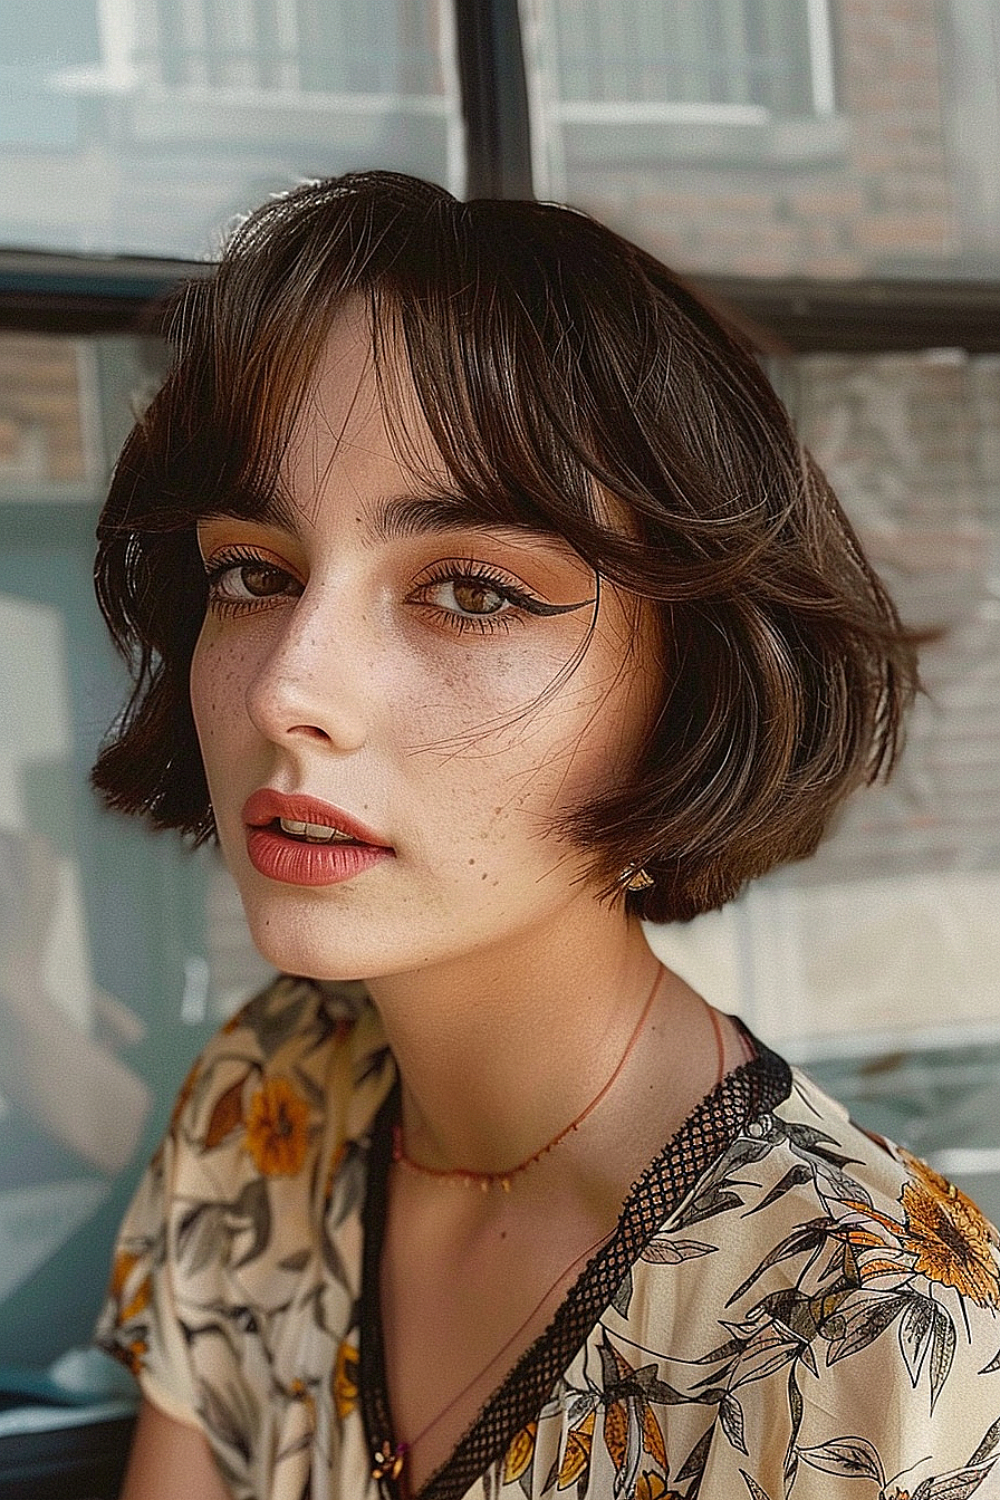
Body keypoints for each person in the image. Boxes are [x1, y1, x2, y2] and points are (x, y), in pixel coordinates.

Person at [93, 172, 1000, 1500]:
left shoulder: (876, 1347)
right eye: (255, 572)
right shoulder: (268, 1107)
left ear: (688, 685)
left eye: (468, 590)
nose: (290, 684)